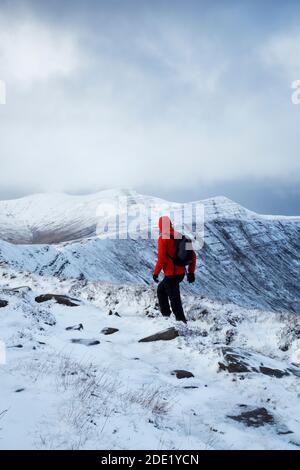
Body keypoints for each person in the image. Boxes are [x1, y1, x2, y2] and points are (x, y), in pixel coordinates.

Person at [153, 215, 196, 323]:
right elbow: (193, 255)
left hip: (171, 274)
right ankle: (166, 315)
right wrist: (191, 272)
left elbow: (161, 258)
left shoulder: (163, 238)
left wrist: (156, 273)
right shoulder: (181, 236)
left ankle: (181, 321)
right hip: (181, 273)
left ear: (160, 226)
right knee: (161, 290)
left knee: (174, 299)